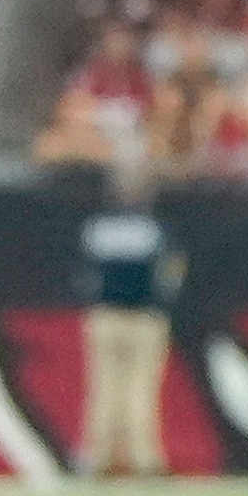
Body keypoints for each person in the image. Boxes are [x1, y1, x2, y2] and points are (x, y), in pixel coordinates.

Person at [78, 162, 180, 479]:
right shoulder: (153, 229)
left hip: (106, 314)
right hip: (144, 317)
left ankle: (98, 458)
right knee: (141, 390)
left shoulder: (97, 228)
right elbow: (170, 274)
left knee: (104, 389)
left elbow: (83, 274)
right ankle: (143, 459)